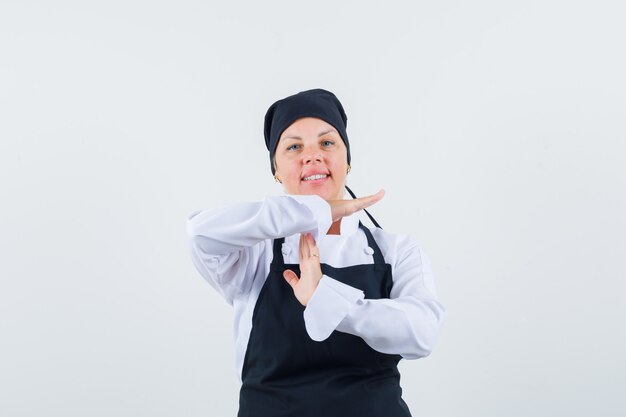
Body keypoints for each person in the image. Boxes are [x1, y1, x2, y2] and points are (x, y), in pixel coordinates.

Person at [186, 88, 446, 417]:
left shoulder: (394, 250)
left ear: (347, 160)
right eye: (294, 146)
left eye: (327, 143)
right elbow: (199, 232)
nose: (312, 156)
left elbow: (421, 334)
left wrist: (326, 299)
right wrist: (317, 210)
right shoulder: (253, 254)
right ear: (276, 169)